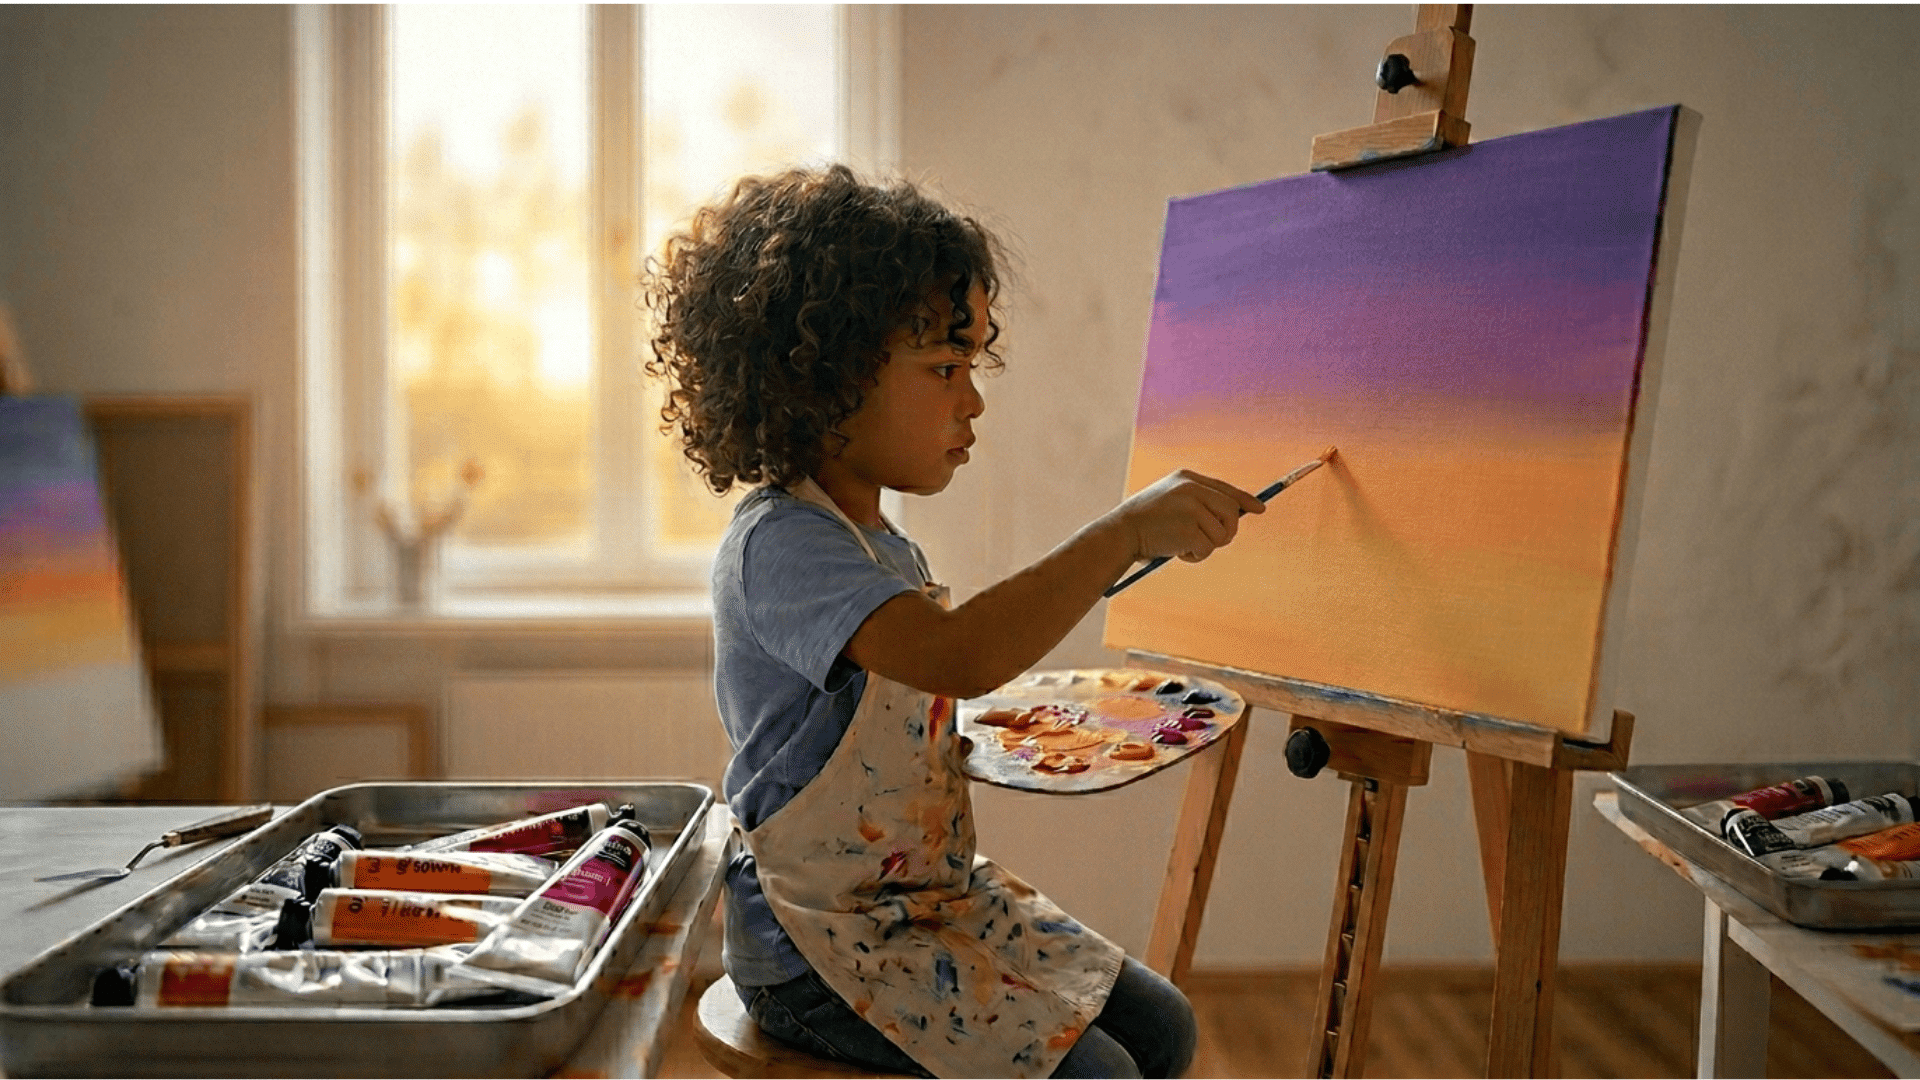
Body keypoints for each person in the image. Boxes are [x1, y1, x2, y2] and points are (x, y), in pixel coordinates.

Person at [642, 165, 1262, 1079]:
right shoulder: (782, 544)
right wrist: (1124, 532)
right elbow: (956, 654)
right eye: (943, 368)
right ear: (827, 376)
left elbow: (927, 706)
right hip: (820, 944)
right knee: (1103, 1075)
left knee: (1161, 1028)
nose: (971, 401)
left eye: (972, 366)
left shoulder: (883, 544)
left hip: (924, 904)